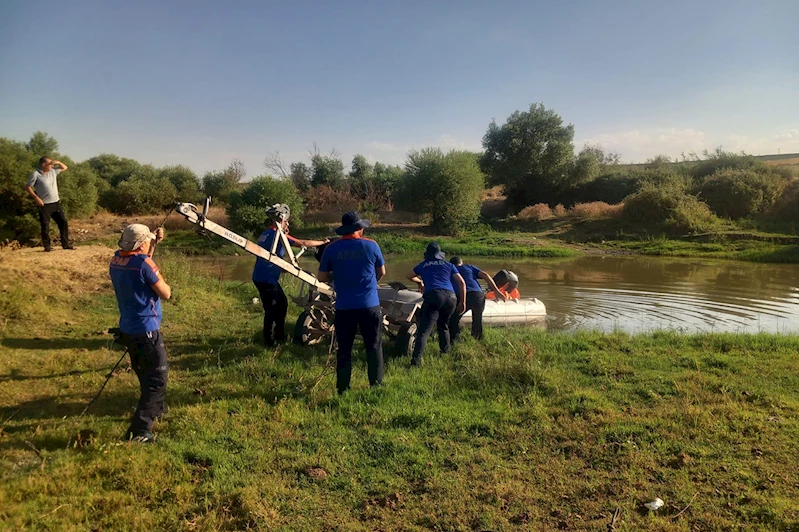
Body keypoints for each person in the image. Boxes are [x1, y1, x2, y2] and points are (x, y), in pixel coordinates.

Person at [109, 224, 170, 443]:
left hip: (128, 328)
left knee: (144, 371)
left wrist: (153, 245)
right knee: (157, 379)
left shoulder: (116, 260)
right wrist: (152, 258)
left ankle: (157, 407)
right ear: (141, 243)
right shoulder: (144, 264)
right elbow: (166, 292)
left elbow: (140, 268)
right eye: (148, 241)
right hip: (146, 330)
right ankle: (140, 430)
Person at [317, 212, 386, 393]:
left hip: (344, 307)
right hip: (369, 305)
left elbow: (322, 277)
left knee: (344, 349)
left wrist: (339, 276)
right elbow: (382, 272)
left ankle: (343, 389)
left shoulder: (332, 248)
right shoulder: (371, 245)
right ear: (360, 229)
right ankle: (376, 386)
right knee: (374, 346)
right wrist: (370, 283)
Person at [252, 204, 328, 347]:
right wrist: (323, 242)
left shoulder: (265, 234)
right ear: (282, 220)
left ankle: (279, 335)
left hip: (261, 276)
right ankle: (270, 341)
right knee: (273, 308)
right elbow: (303, 243)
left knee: (281, 304)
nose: (288, 224)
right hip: (267, 279)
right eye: (287, 221)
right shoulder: (277, 234)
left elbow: (268, 257)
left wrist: (284, 268)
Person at [406, 243, 466, 367]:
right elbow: (461, 282)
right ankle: (445, 353)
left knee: (424, 330)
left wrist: (420, 282)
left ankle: (416, 362)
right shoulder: (449, 265)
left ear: (427, 254)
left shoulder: (423, 265)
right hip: (451, 297)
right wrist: (463, 302)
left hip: (434, 296)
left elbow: (409, 276)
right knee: (443, 326)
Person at [448, 256, 506, 342]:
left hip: (463, 295)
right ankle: (478, 340)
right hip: (478, 295)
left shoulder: (451, 270)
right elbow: (485, 275)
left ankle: (457, 342)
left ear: (451, 264)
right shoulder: (469, 267)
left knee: (453, 320)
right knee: (477, 320)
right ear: (461, 263)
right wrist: (496, 291)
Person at [25, 156, 74, 251]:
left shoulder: (53, 172)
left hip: (56, 202)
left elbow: (65, 167)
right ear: (43, 164)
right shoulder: (35, 174)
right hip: (44, 204)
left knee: (63, 222)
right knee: (45, 225)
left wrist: (58, 162)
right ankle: (47, 246)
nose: (52, 165)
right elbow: (28, 187)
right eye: (49, 164)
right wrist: (36, 198)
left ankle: (65, 244)